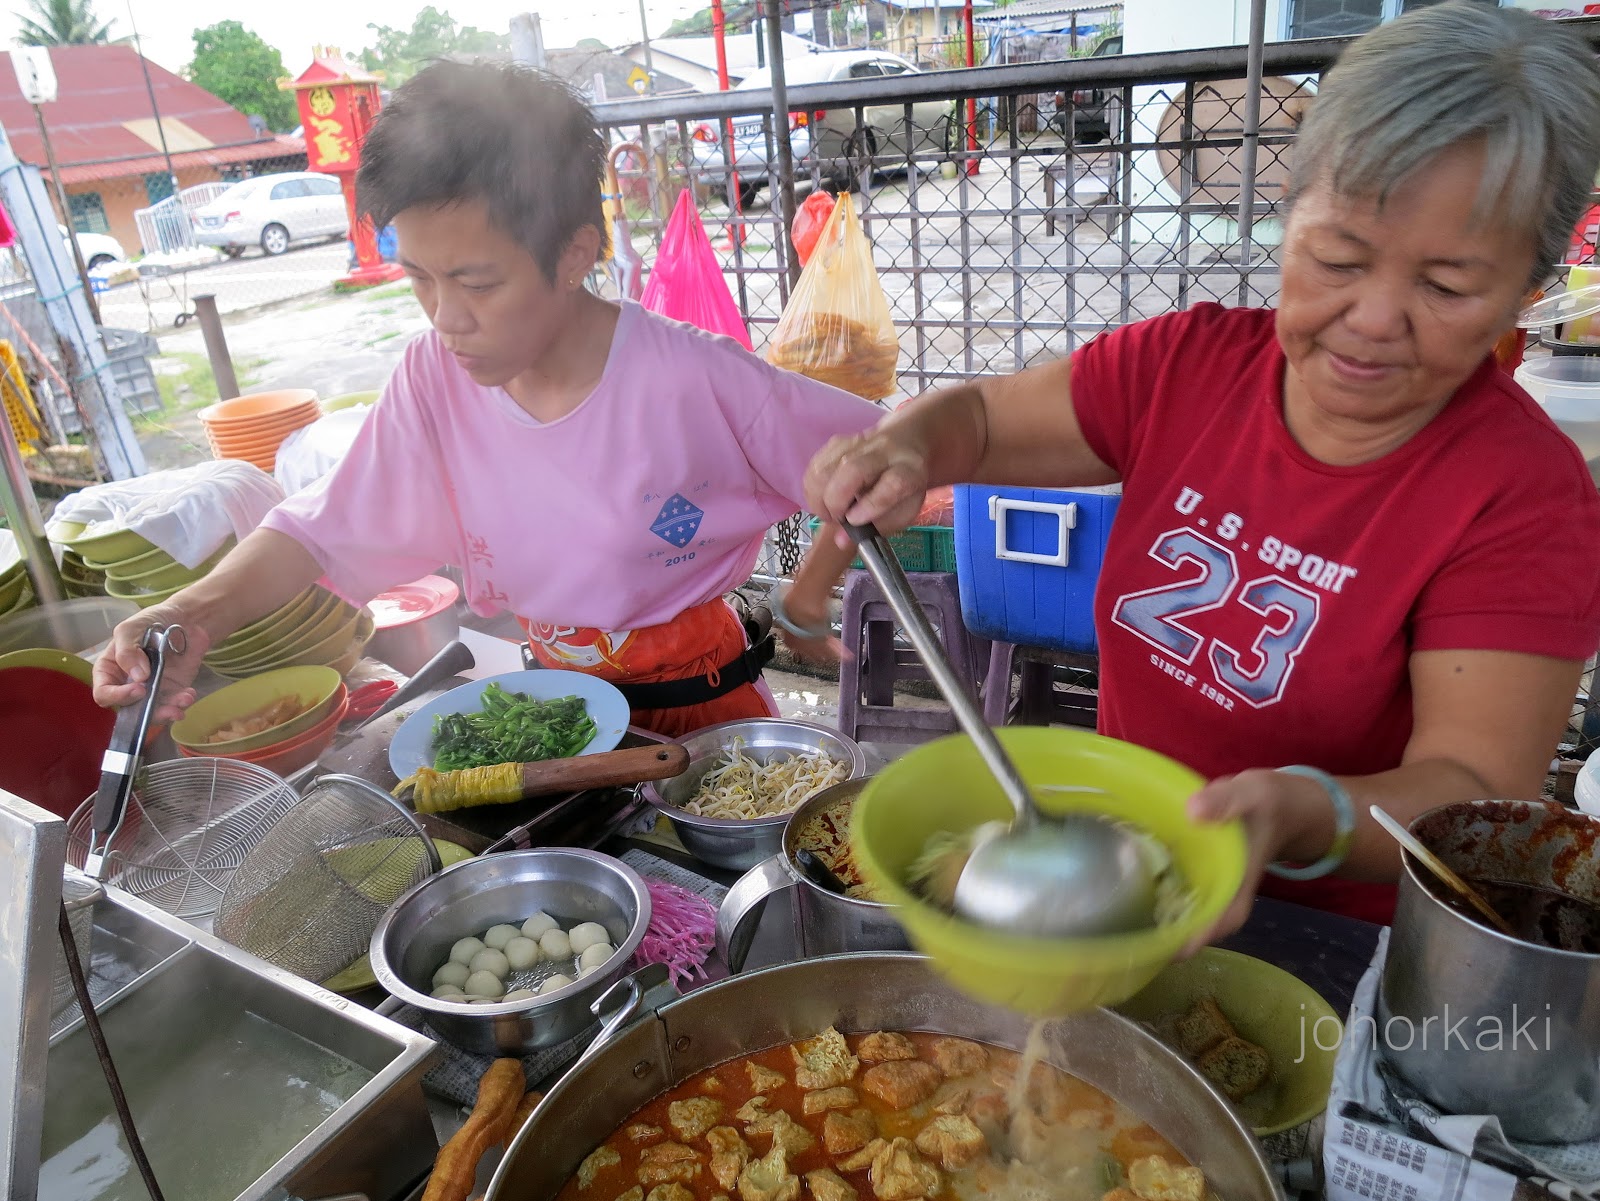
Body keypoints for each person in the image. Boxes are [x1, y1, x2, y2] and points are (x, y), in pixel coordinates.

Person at [806, 1, 1600, 934]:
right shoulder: (1188, 367)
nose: (1376, 317)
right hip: (1114, 876)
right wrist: (905, 443)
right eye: (1338, 257)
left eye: (1446, 285)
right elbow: (976, 419)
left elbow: (1470, 792)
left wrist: (1303, 808)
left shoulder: (1522, 498)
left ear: (1530, 286)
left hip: (1329, 935)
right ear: (1286, 212)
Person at [94, 62, 871, 738]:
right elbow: (319, 529)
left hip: (701, 717)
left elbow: (879, 464)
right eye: (420, 280)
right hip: (557, 707)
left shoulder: (694, 379)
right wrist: (188, 616)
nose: (445, 318)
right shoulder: (433, 377)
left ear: (573, 253)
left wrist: (806, 596)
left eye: (476, 282)